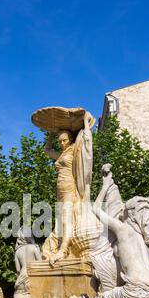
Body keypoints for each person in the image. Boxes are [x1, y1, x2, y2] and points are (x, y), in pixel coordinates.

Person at [43, 112, 94, 264]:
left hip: (71, 188)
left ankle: (63, 250)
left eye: (64, 140)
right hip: (60, 190)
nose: (62, 143)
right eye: (60, 141)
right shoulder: (62, 153)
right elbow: (47, 151)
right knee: (61, 220)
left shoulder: (74, 150)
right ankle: (62, 246)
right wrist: (51, 135)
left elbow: (86, 142)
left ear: (70, 139)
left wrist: (85, 123)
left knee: (66, 219)